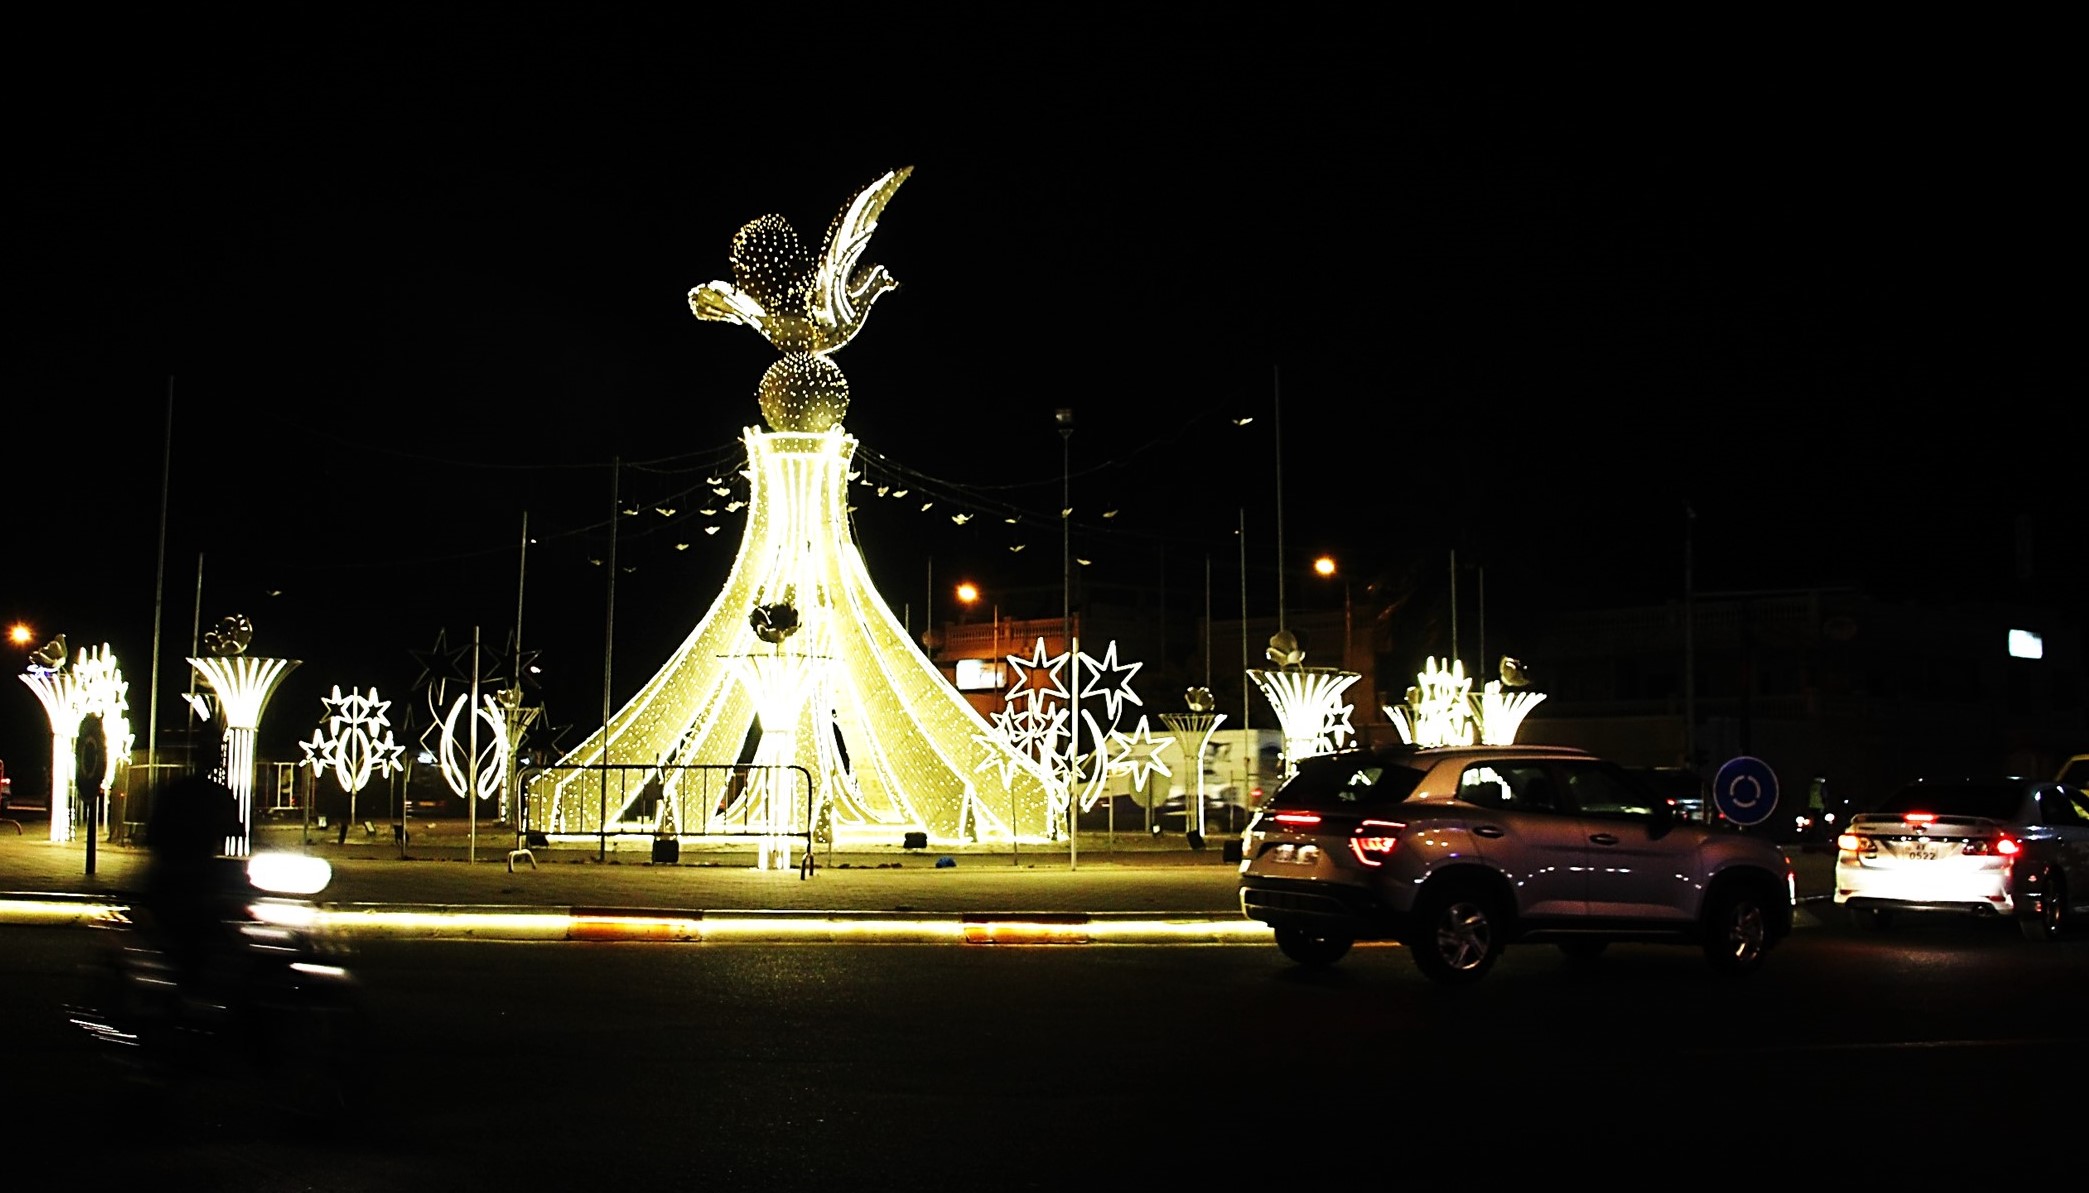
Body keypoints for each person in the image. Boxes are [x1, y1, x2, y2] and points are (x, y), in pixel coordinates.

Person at [140, 749, 248, 999]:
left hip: (191, 877)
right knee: (200, 936)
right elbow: (236, 829)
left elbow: (236, 827)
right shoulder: (200, 793)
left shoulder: (195, 791)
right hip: (177, 881)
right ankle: (189, 997)